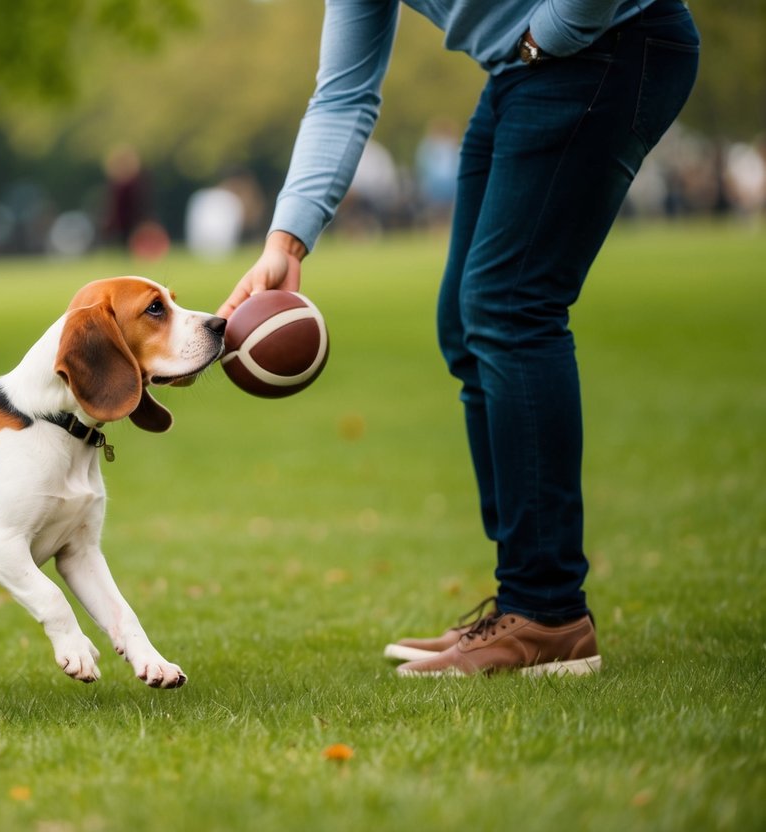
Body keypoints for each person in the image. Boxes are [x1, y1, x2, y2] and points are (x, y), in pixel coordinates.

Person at [218, 0, 699, 676]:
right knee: (468, 327)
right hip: (519, 71)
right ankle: (521, 600)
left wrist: (555, 29)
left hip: (608, 44)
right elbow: (343, 92)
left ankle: (546, 613)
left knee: (510, 307)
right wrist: (286, 239)